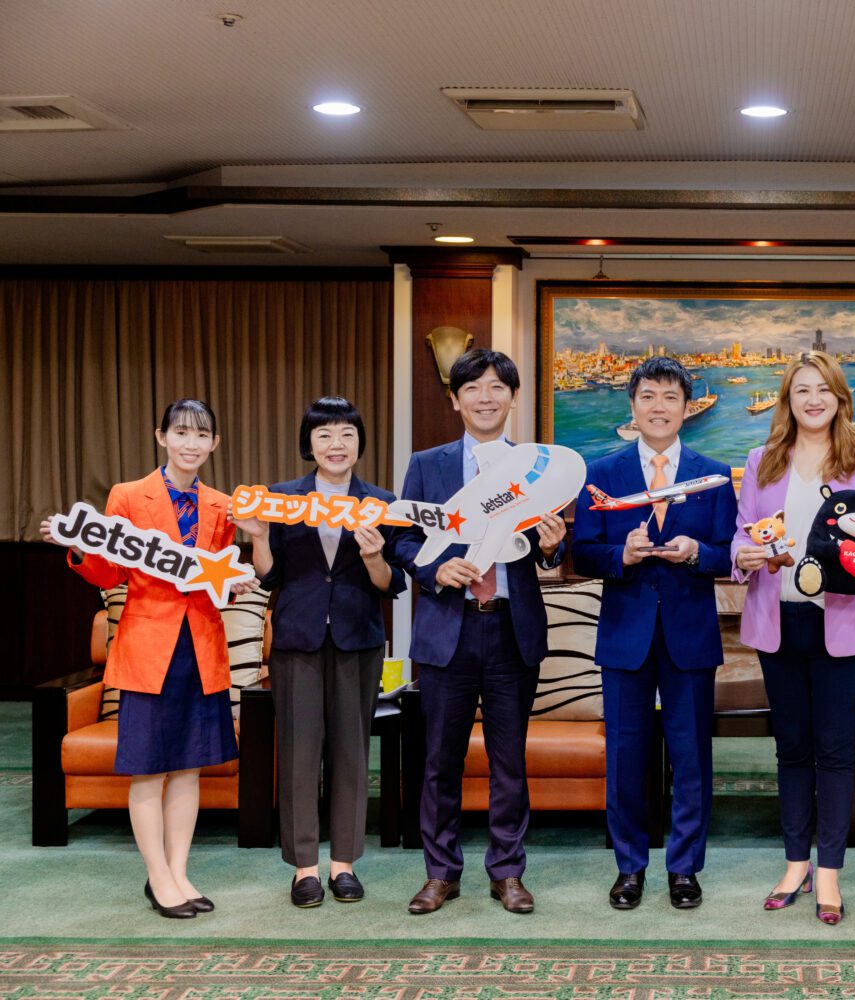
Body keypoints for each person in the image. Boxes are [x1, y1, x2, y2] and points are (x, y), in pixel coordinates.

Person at [42, 399, 257, 919]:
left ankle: (180, 872)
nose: (191, 443)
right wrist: (74, 546)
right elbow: (109, 573)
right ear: (161, 436)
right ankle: (157, 877)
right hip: (147, 648)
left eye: (201, 435)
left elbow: (216, 578)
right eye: (181, 432)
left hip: (201, 647)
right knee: (149, 770)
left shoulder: (222, 506)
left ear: (215, 444)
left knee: (188, 768)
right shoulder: (128, 495)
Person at [390, 349, 567, 916]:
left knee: (508, 760)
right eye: (473, 388)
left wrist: (551, 544)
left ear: (513, 398)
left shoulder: (539, 466)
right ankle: (440, 873)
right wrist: (432, 568)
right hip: (449, 628)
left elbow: (556, 552)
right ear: (455, 398)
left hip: (512, 631)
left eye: (497, 387)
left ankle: (508, 873)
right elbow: (401, 540)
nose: (485, 397)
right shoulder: (427, 464)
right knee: (439, 760)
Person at [731, 350, 855, 926]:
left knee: (836, 750)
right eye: (802, 389)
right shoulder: (761, 460)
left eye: (823, 388)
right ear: (788, 400)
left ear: (840, 398)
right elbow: (741, 533)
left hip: (843, 622)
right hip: (780, 622)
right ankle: (795, 863)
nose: (813, 398)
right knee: (791, 749)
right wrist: (743, 555)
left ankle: (829, 873)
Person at [571, 356, 738, 912]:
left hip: (689, 634)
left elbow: (728, 554)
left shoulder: (714, 473)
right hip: (625, 635)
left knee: (692, 757)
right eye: (648, 396)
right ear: (633, 406)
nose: (658, 407)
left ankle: (684, 868)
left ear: (687, 408)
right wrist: (622, 553)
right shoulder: (602, 473)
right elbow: (582, 553)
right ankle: (630, 867)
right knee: (625, 755)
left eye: (670, 397)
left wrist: (698, 553)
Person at [237, 396, 406, 908]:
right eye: (325, 434)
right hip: (297, 637)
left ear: (360, 443)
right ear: (308, 443)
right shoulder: (280, 499)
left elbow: (390, 582)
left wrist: (374, 554)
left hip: (358, 637)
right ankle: (304, 869)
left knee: (353, 751)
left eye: (347, 434)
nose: (337, 444)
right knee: (299, 750)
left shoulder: (381, 502)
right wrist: (259, 539)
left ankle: (344, 865)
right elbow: (270, 576)